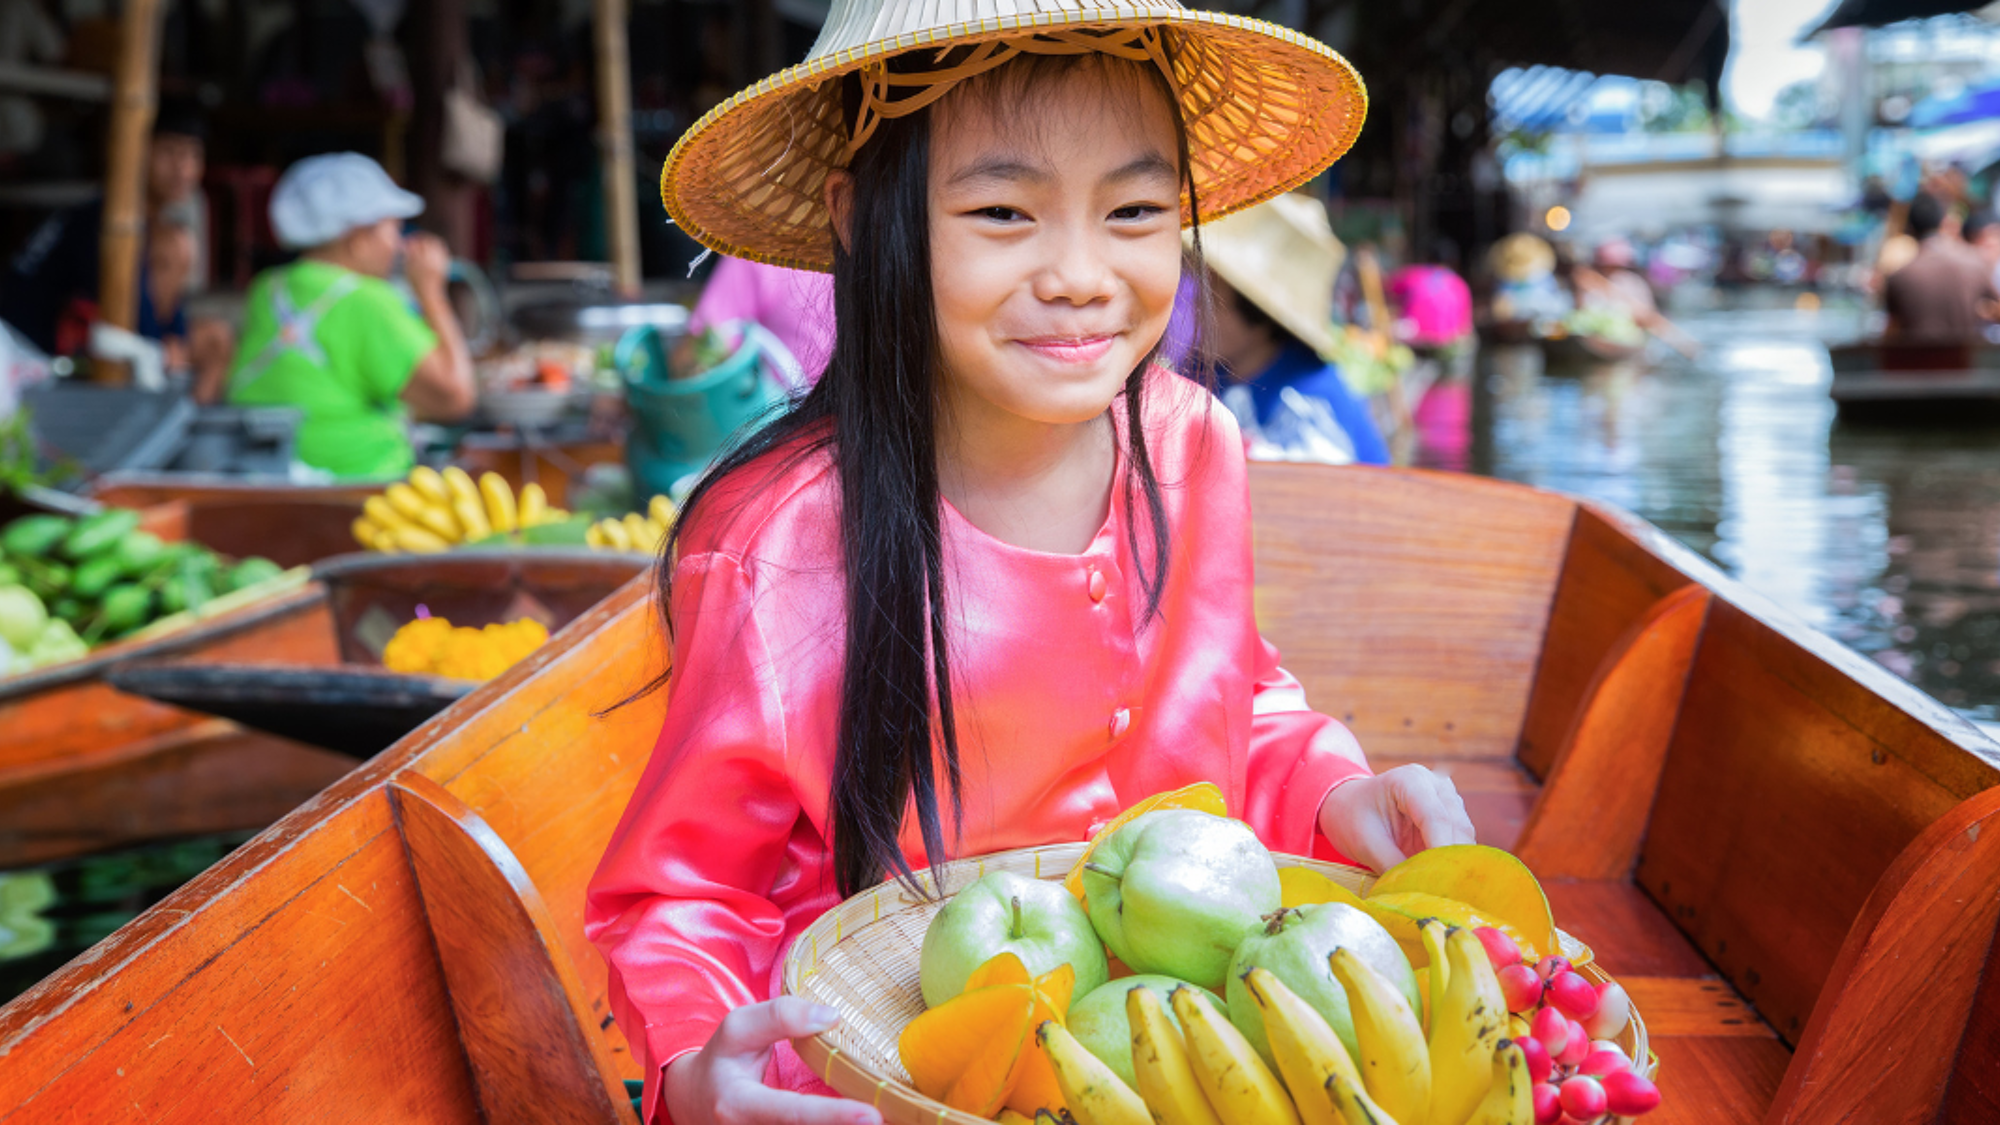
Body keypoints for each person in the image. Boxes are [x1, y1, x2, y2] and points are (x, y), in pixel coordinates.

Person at [584, 5, 1476, 1123]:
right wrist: (701, 1070)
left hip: (1179, 1048)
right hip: (891, 1064)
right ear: (863, 220)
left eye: (1135, 211)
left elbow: (1241, 703)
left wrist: (1339, 793)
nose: (1078, 275)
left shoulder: (1189, 440)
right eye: (1003, 211)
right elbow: (688, 892)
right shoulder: (777, 533)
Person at [221, 153, 476, 480]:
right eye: (392, 229)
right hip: (357, 488)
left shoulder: (267, 288)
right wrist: (432, 293)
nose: (399, 246)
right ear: (357, 239)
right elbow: (455, 399)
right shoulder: (367, 301)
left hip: (268, 478)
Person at [0, 102, 207, 354]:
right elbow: (125, 308)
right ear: (138, 152)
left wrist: (175, 337)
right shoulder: (106, 221)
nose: (182, 169)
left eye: (193, 155)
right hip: (24, 349)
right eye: (169, 151)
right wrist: (159, 345)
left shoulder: (152, 223)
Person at [1199, 194, 1389, 465]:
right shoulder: (1207, 374)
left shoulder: (1312, 401)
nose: (1196, 312)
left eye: (1213, 303)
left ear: (1259, 316)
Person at [688, 256, 835, 388]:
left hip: (774, 407)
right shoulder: (759, 257)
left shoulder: (759, 254)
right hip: (781, 405)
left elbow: (694, 355)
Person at [1883, 192, 1996, 345]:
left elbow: (1892, 329)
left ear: (1910, 229)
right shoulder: (1975, 262)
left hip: (1916, 364)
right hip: (1964, 362)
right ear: (1943, 222)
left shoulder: (1900, 276)